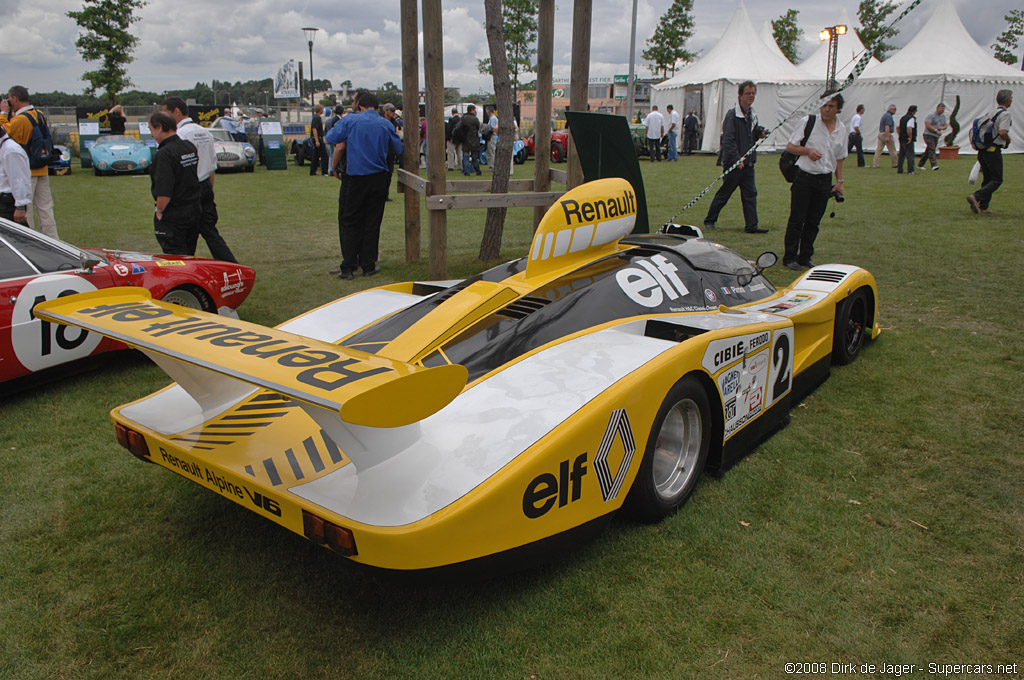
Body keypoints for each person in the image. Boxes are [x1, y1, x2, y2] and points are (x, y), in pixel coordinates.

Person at [324, 92, 402, 279]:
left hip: (356, 177)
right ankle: (368, 264)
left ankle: (348, 266)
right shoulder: (386, 124)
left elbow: (331, 138)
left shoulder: (351, 121)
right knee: (372, 222)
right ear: (377, 107)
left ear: (360, 106)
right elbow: (398, 149)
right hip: (379, 178)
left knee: (351, 221)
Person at [162, 96, 237, 263]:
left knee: (187, 235)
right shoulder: (205, 132)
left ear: (176, 112)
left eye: (166, 113)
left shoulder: (179, 135)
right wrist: (208, 191)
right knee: (210, 233)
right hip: (204, 186)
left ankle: (186, 268)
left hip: (188, 190)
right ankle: (232, 266)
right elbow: (211, 166)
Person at [782, 93, 847, 271]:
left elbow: (840, 157)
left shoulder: (841, 129)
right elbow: (790, 146)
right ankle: (790, 256)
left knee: (814, 221)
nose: (827, 109)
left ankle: (806, 256)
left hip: (824, 179)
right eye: (824, 105)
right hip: (805, 176)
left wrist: (839, 181)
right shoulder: (808, 122)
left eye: (831, 106)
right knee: (797, 219)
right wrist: (807, 151)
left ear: (838, 109)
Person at [703, 81, 768, 234]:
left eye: (753, 93)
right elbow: (728, 140)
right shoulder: (732, 115)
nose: (751, 96)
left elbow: (751, 133)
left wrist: (760, 133)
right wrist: (736, 159)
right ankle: (710, 220)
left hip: (749, 163)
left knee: (750, 194)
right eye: (748, 93)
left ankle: (752, 225)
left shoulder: (753, 114)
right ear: (740, 95)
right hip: (734, 164)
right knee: (725, 193)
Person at [0, 86, 58, 238]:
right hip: (42, 167)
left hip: (26, 171)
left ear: (15, 99)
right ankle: (53, 239)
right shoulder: (38, 114)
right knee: (45, 208)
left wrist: (4, 114)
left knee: (27, 211)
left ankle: (30, 242)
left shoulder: (20, 119)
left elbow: (3, 131)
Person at [147, 111, 201, 256]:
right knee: (188, 254)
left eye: (151, 129)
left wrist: (159, 210)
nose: (151, 135)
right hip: (193, 210)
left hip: (175, 215)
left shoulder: (164, 154)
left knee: (176, 258)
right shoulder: (188, 146)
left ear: (159, 127)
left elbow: (164, 191)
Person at [968, 89, 1013, 215]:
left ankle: (983, 207)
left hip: (982, 150)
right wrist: (1008, 141)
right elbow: (1003, 132)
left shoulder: (991, 112)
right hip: (993, 149)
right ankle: (976, 196)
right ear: (1008, 100)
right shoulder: (1005, 114)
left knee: (987, 178)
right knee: (997, 179)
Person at [0, 126, 31, 225]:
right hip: (4, 203)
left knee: (17, 238)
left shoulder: (11, 150)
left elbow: (19, 179)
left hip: (9, 204)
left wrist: (20, 207)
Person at [918, 102, 947, 171]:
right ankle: (934, 165)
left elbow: (945, 125)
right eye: (941, 108)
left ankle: (920, 165)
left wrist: (942, 128)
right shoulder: (931, 115)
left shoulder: (943, 116)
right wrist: (935, 130)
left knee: (928, 150)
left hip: (936, 136)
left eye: (944, 109)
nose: (942, 110)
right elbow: (927, 125)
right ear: (937, 108)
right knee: (932, 149)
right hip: (928, 134)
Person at [455, 105, 482, 176]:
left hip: (465, 140)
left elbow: (458, 128)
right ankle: (477, 171)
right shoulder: (475, 119)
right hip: (474, 140)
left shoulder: (463, 118)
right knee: (474, 158)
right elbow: (478, 127)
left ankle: (467, 172)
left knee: (465, 157)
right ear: (472, 110)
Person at [872, 104, 898, 168]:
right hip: (885, 133)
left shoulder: (885, 115)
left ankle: (875, 164)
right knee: (892, 149)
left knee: (878, 150)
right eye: (894, 109)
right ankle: (895, 163)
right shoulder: (889, 116)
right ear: (890, 109)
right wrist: (888, 136)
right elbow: (887, 126)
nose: (895, 111)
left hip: (880, 133)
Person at [897, 105, 918, 175]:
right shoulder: (911, 118)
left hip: (902, 137)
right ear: (914, 111)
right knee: (910, 154)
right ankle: (911, 170)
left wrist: (900, 134)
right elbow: (909, 128)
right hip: (907, 138)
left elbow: (898, 127)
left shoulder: (903, 118)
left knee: (901, 155)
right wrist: (910, 137)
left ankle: (900, 170)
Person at [309, 104, 328, 176]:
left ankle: (313, 171)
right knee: (324, 155)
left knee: (316, 155)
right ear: (320, 110)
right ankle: (324, 171)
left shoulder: (317, 118)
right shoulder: (316, 118)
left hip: (318, 138)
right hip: (318, 138)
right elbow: (314, 129)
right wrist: (317, 140)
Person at [445, 107, 461, 171]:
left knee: (451, 153)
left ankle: (450, 166)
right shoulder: (461, 119)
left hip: (452, 138)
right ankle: (460, 166)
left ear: (452, 113)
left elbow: (449, 129)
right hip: (460, 139)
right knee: (459, 153)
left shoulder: (451, 120)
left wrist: (448, 137)